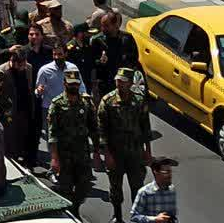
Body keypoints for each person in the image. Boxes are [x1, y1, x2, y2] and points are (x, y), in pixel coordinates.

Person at [99, 67, 153, 223]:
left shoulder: (139, 100)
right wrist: (106, 155)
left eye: (123, 82)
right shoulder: (107, 101)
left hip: (135, 152)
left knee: (137, 187)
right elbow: (102, 130)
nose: (119, 84)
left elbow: (145, 127)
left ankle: (137, 217)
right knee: (115, 189)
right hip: (116, 153)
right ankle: (117, 216)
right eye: (117, 80)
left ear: (130, 83)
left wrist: (147, 151)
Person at [47, 69, 99, 216]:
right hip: (64, 154)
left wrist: (97, 152)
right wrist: (54, 158)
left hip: (82, 152)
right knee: (66, 187)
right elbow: (53, 134)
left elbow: (94, 127)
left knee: (84, 186)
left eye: (76, 84)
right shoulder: (57, 104)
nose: (74, 87)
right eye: (71, 84)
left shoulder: (86, 102)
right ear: (64, 84)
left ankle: (74, 208)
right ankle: (69, 214)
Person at [129, 156, 179, 223]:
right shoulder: (145, 192)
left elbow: (172, 215)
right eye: (166, 172)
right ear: (156, 172)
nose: (169, 175)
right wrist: (155, 219)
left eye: (170, 171)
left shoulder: (171, 190)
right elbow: (134, 216)